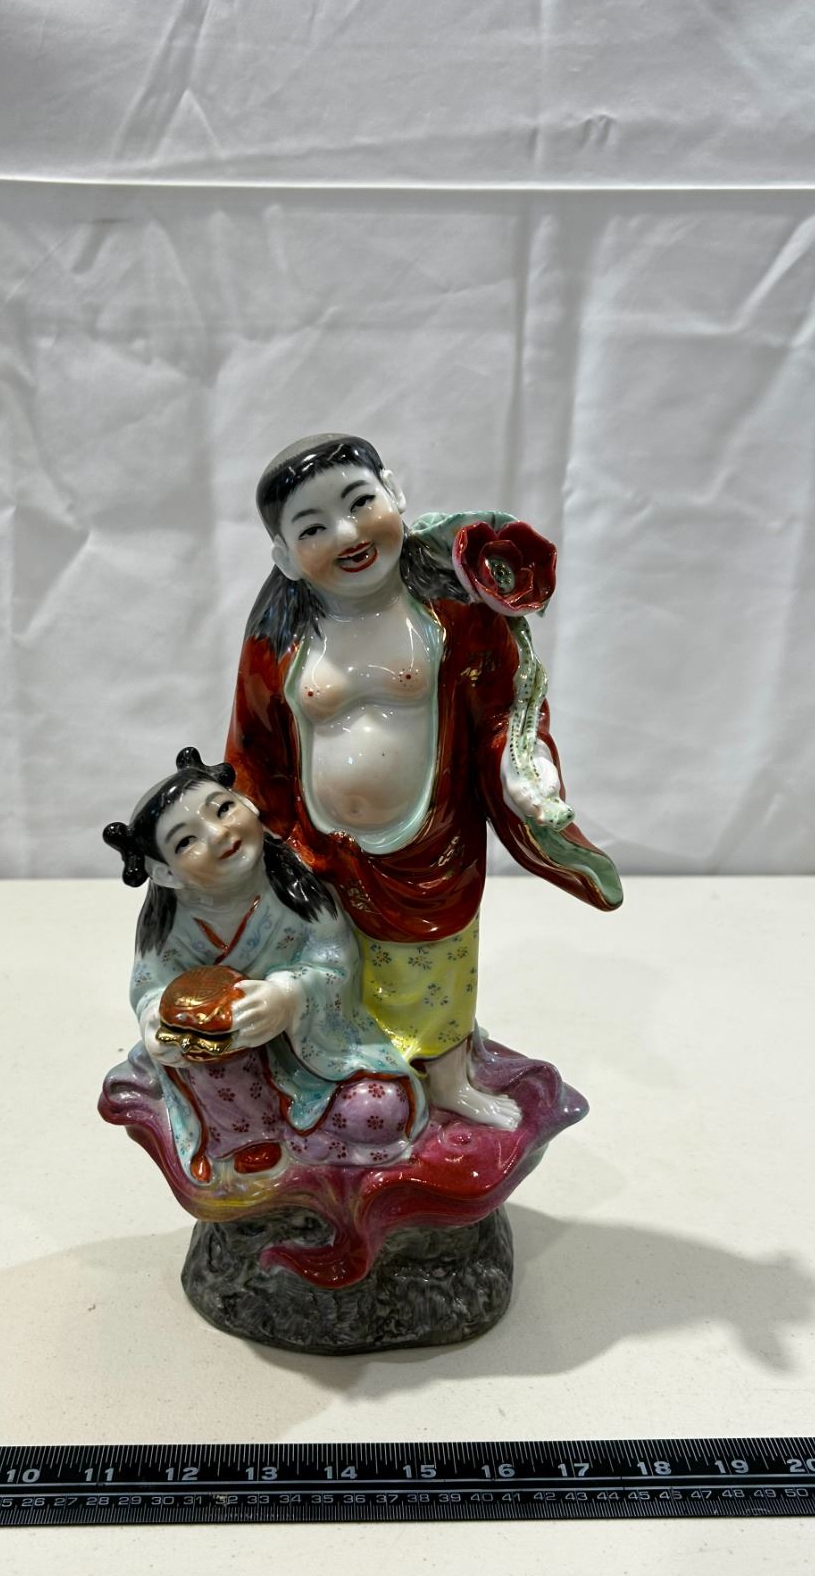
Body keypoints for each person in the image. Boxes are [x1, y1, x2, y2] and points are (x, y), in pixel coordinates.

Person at [226, 433, 622, 1131]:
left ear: (396, 494)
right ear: (284, 556)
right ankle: (345, 1071)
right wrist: (251, 831)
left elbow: (507, 710)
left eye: (360, 503)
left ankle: (446, 1079)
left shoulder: (454, 616)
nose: (348, 534)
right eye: (313, 528)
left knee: (439, 965)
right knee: (330, 966)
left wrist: (525, 767)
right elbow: (255, 746)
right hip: (319, 848)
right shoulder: (278, 640)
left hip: (431, 844)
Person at [102, 748, 426, 1183]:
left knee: (378, 1108)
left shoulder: (297, 893)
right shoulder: (171, 926)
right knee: (206, 1070)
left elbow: (336, 964)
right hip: (223, 1076)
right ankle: (255, 1144)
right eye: (186, 841)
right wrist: (156, 1021)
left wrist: (287, 998)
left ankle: (311, 1140)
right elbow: (149, 984)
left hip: (314, 1060)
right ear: (166, 874)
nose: (218, 833)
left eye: (223, 809)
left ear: (248, 804)